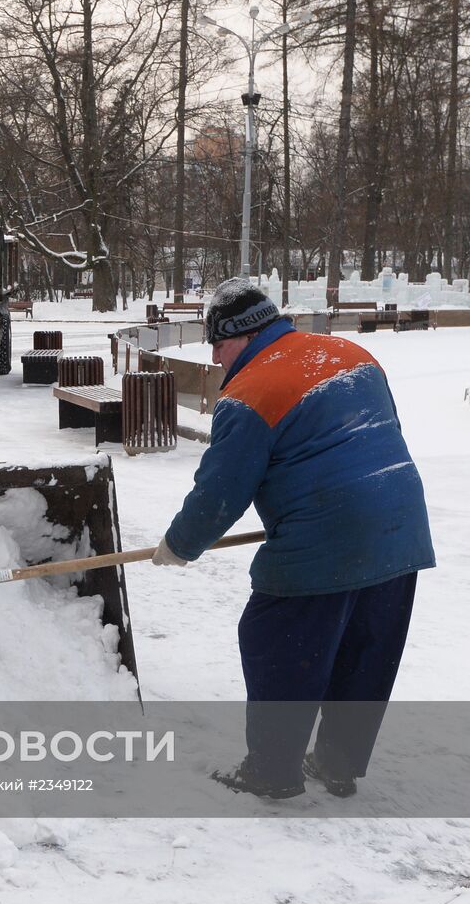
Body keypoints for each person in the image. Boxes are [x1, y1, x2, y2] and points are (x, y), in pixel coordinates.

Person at [152, 280, 434, 800]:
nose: (214, 357)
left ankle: (272, 771)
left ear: (239, 334)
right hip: (401, 529)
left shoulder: (251, 392)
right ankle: (338, 765)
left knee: (277, 640)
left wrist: (179, 544)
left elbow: (221, 491)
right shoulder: (353, 354)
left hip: (326, 533)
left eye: (216, 343)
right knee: (362, 649)